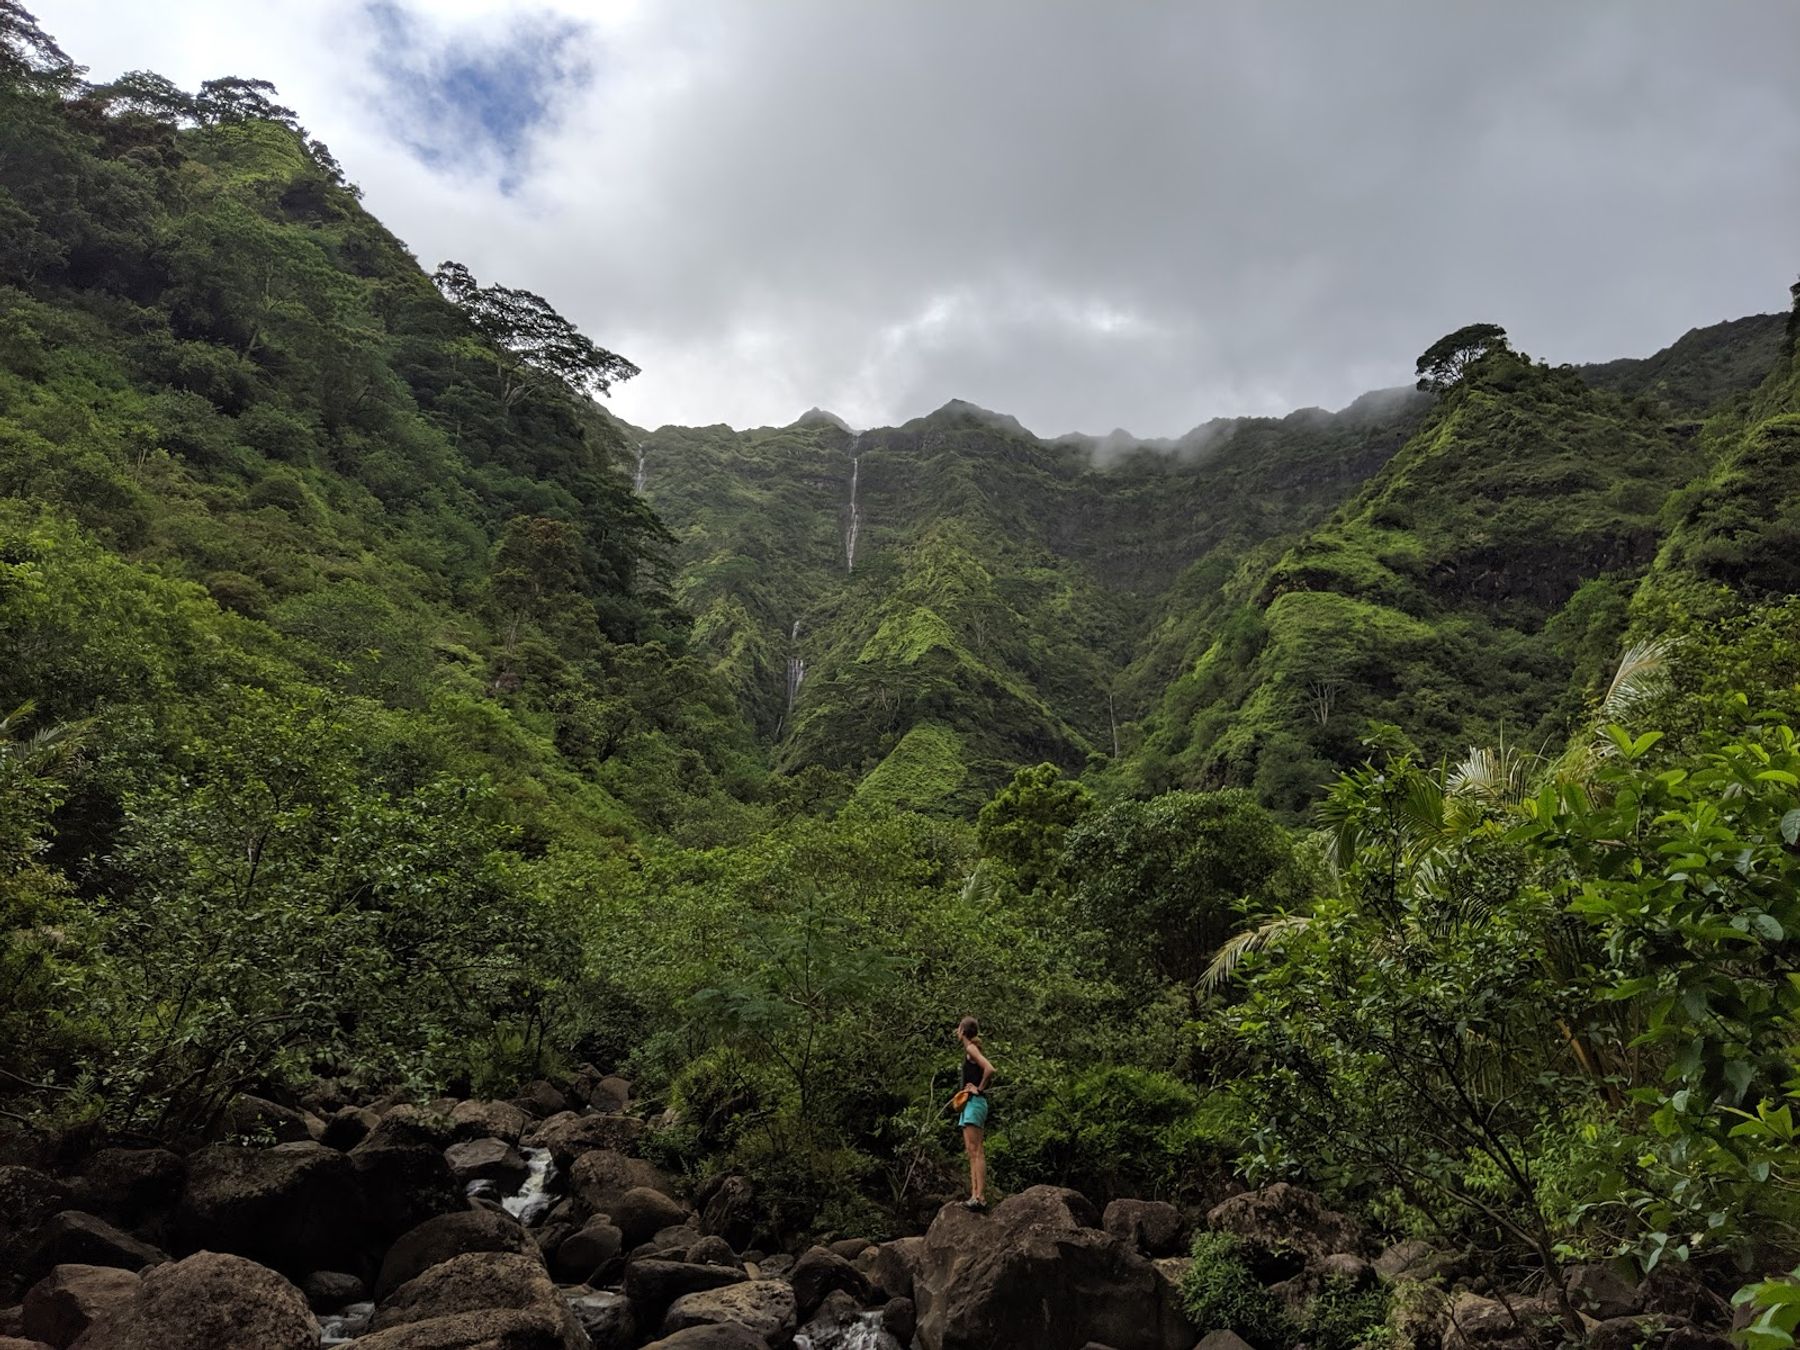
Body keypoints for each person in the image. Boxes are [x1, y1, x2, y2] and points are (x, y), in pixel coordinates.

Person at [953, 1016, 993, 1211]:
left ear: (962, 1031)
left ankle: (979, 1196)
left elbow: (990, 1069)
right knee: (972, 1151)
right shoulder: (971, 1049)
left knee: (976, 1151)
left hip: (975, 1102)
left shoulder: (971, 1048)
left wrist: (978, 1088)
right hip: (971, 1104)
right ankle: (975, 1194)